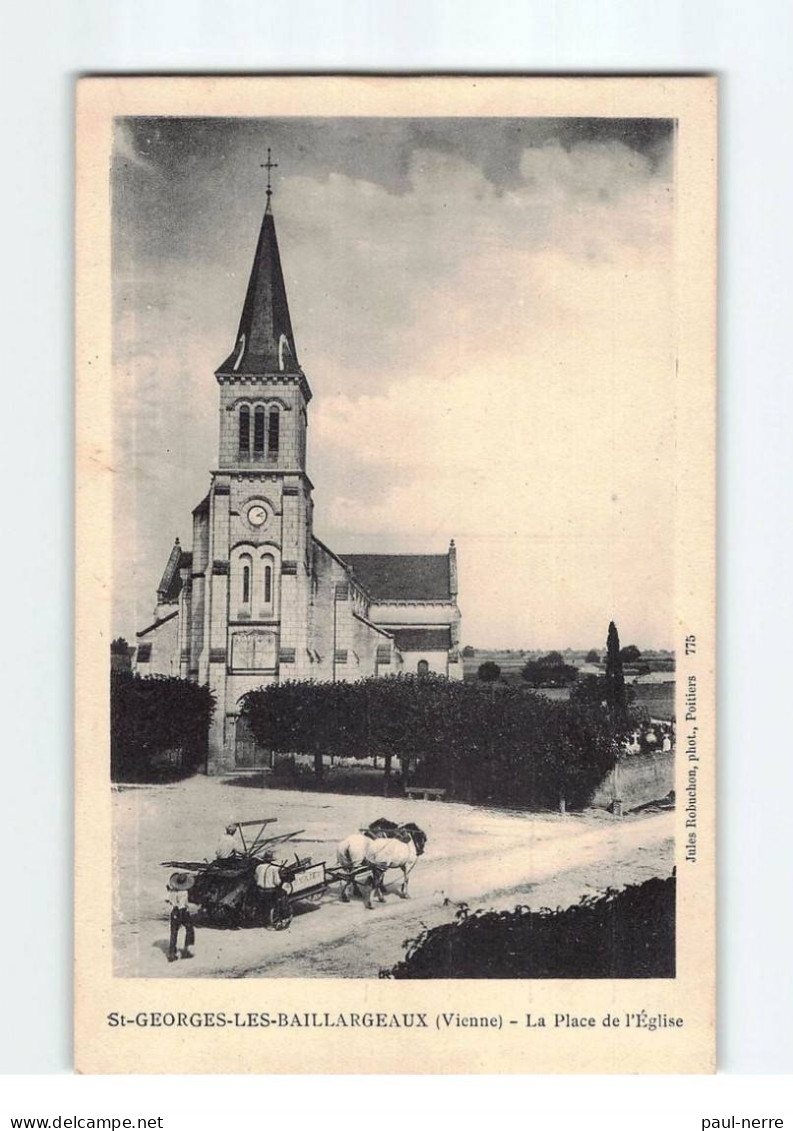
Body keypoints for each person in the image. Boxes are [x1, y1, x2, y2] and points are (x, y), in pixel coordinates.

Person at [166, 872, 196, 963]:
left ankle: (171, 953)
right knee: (189, 929)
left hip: (174, 912)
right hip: (182, 912)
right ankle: (186, 951)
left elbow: (171, 901)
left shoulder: (172, 891)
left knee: (174, 933)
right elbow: (182, 904)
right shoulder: (184, 892)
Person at [254, 849, 285, 926]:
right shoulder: (274, 869)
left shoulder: (258, 867)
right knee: (283, 893)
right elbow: (277, 882)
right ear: (271, 860)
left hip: (260, 890)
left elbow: (256, 878)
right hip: (270, 891)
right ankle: (280, 912)